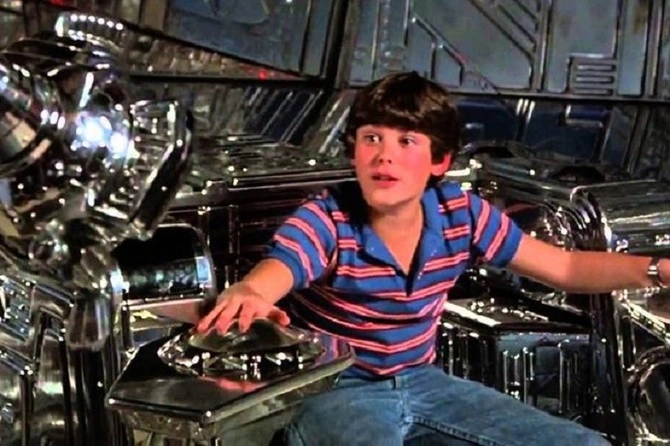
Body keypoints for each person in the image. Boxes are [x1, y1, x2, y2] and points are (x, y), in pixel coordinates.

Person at [196, 71, 669, 445]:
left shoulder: (460, 214)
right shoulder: (328, 217)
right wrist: (252, 292)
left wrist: (657, 271)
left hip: (423, 382)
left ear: (438, 162)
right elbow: (279, 268)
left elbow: (565, 267)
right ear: (354, 151)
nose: (385, 156)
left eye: (407, 142)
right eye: (372, 138)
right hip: (335, 389)